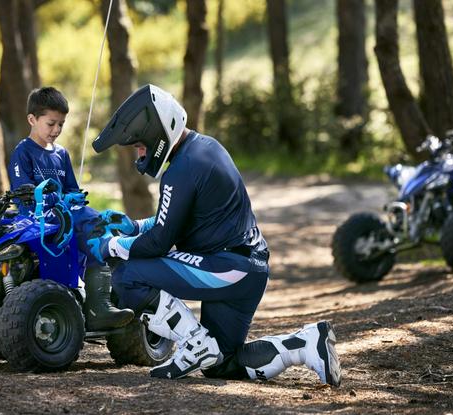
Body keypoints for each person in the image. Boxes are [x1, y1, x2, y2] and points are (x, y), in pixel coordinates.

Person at [87, 84, 341, 385]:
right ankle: (305, 344)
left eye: (139, 146)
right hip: (249, 269)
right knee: (221, 364)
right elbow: (180, 217)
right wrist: (135, 226)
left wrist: (112, 245)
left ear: (155, 135)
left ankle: (195, 343)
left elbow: (159, 241)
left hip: (227, 268)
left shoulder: (180, 171)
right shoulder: (205, 147)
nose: (139, 155)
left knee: (127, 273)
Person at [7, 86, 133, 331]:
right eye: (51, 123)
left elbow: (72, 190)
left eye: (61, 125)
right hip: (38, 218)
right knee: (94, 223)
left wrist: (73, 198)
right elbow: (23, 193)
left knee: (97, 226)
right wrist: (58, 199)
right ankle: (99, 307)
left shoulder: (61, 154)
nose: (56, 130)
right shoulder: (23, 152)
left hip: (66, 215)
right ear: (32, 119)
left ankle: (102, 300)